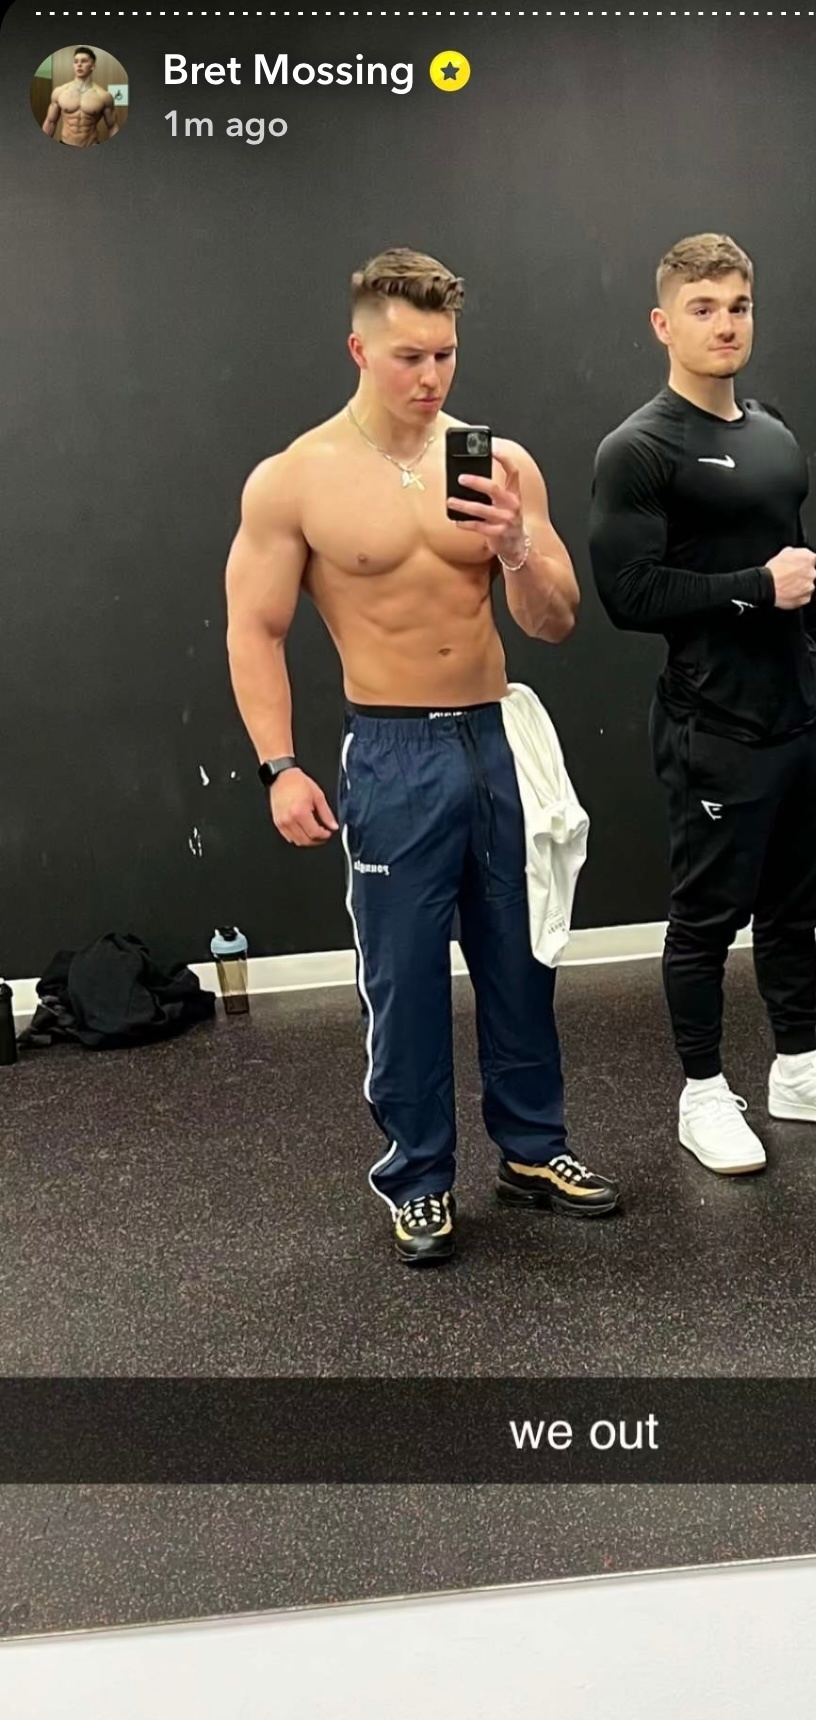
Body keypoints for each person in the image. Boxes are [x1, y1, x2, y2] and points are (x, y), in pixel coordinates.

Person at [225, 248, 620, 1264]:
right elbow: (254, 628)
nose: (432, 376)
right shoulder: (297, 477)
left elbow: (556, 620)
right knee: (403, 978)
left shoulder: (501, 464)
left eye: (445, 354)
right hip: (392, 750)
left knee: (520, 960)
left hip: (494, 739)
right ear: (359, 350)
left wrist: (516, 545)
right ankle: (419, 1177)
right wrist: (280, 765)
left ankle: (532, 1150)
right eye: (410, 356)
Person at [588, 232, 816, 1176]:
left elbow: (802, 562)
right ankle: (703, 1095)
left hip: (799, 714)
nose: (725, 325)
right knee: (706, 918)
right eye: (703, 309)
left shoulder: (771, 430)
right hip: (713, 723)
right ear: (663, 323)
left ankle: (798, 1069)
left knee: (797, 908)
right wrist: (756, 589)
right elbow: (628, 594)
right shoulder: (639, 449)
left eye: (738, 307)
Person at [43, 48, 119, 147]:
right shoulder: (59, 92)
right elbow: (50, 122)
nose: (79, 64)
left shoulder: (104, 96)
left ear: (93, 66)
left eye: (84, 61)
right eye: (76, 61)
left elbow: (112, 126)